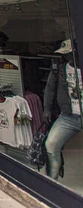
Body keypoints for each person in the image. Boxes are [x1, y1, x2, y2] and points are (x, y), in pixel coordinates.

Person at [44, 39, 82, 180]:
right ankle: (51, 180)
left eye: (69, 54)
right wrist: (47, 109)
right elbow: (49, 89)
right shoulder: (60, 70)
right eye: (65, 54)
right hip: (68, 116)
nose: (66, 57)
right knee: (51, 144)